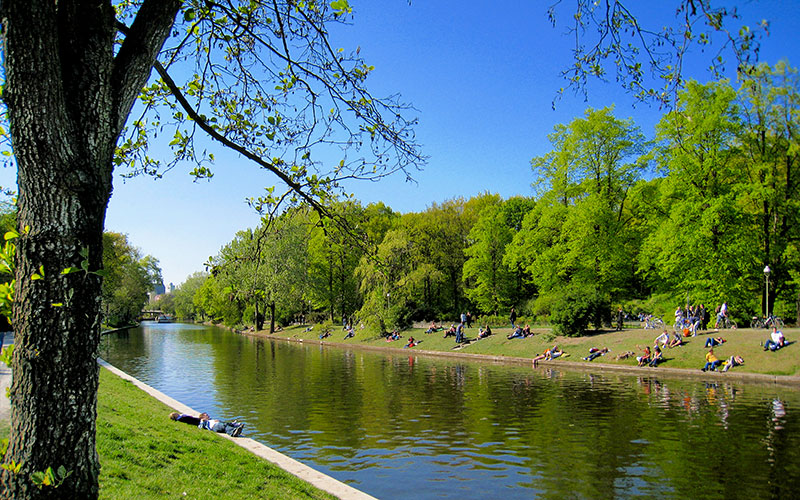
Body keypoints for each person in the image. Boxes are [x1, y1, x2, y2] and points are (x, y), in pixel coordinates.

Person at [170, 412, 245, 437]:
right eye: (206, 415)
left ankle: (234, 426)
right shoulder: (182, 418)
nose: (208, 415)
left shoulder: (208, 421)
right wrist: (181, 416)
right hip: (214, 426)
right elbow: (188, 419)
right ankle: (233, 432)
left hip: (215, 425)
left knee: (223, 425)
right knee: (223, 426)